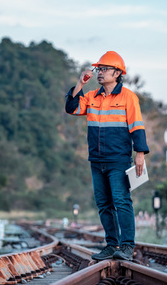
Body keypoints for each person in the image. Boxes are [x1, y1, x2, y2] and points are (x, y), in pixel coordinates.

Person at [64, 51, 149, 261]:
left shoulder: (128, 97)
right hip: (96, 160)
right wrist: (80, 83)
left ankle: (127, 246)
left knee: (121, 202)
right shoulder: (92, 96)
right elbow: (71, 108)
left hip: (119, 160)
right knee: (103, 205)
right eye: (98, 69)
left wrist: (140, 154)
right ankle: (111, 245)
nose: (99, 73)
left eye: (104, 69)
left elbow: (137, 127)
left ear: (117, 73)